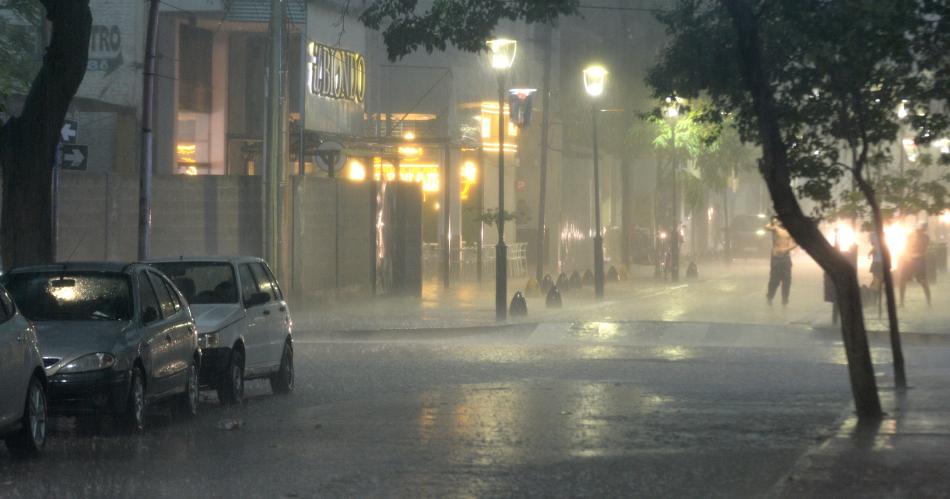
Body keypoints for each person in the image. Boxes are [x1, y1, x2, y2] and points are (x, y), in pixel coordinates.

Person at [765, 216, 798, 306]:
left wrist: (786, 249)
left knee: (787, 280)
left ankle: (785, 300)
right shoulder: (776, 228)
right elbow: (766, 227)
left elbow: (794, 244)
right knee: (775, 279)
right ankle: (770, 297)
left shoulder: (790, 231)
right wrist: (773, 222)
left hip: (786, 257)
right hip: (776, 258)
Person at [899, 223, 932, 307]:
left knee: (923, 282)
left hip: (919, 261)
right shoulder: (911, 236)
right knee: (902, 281)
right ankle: (902, 302)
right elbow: (906, 247)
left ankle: (929, 303)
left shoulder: (925, 238)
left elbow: (923, 250)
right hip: (909, 260)